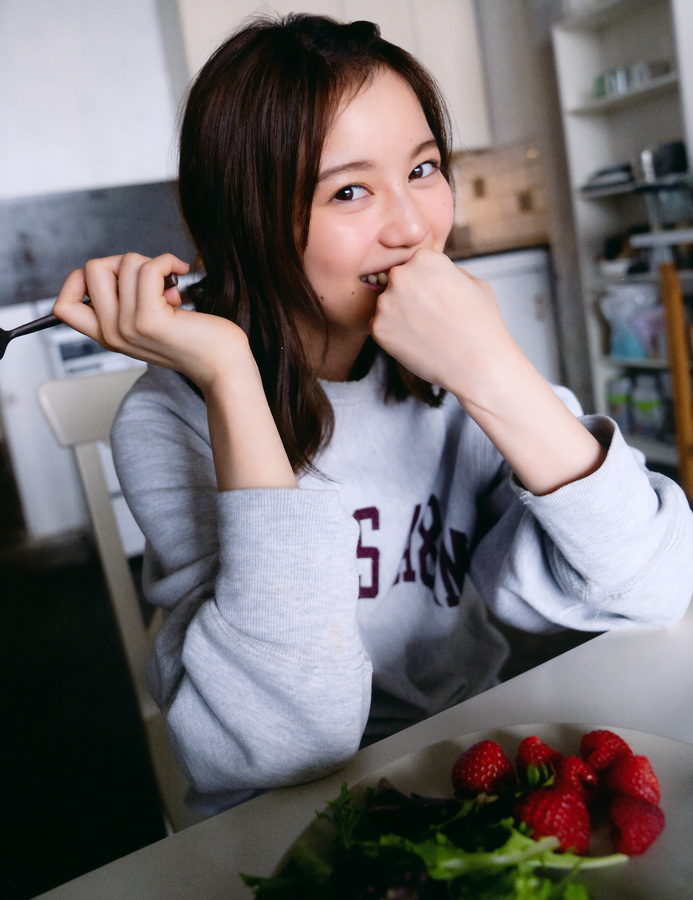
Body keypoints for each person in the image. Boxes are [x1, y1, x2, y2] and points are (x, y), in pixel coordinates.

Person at [53, 13, 693, 814]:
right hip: (288, 816)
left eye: (423, 169)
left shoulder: (448, 367)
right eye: (349, 191)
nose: (414, 227)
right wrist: (231, 379)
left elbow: (654, 585)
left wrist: (492, 369)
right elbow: (289, 744)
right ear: (248, 219)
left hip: (467, 763)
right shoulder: (171, 419)